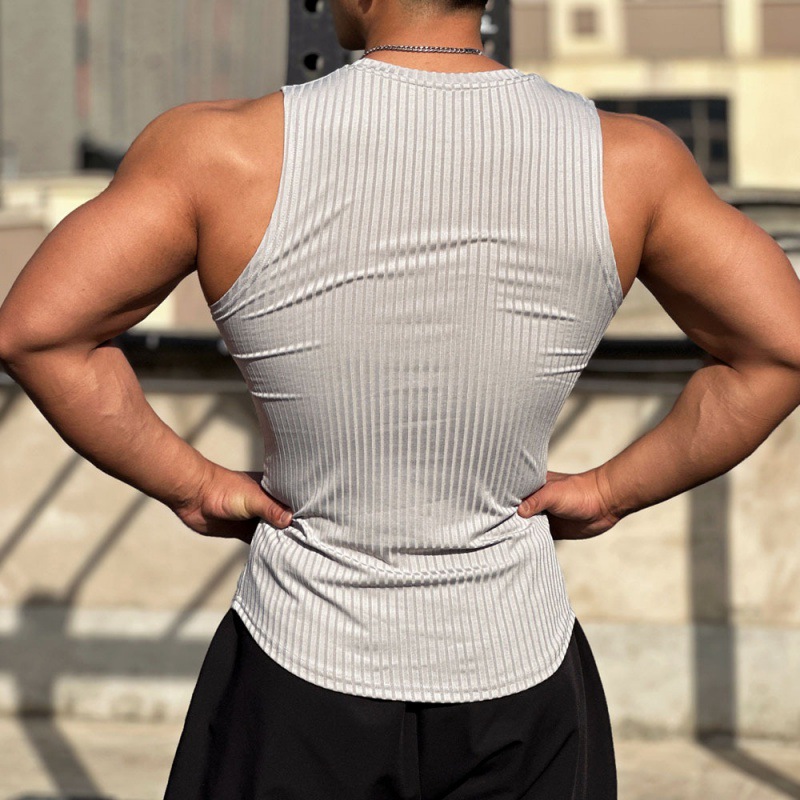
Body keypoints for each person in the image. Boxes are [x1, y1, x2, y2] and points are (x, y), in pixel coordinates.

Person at [2, 0, 800, 795]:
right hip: (520, 673)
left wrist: (194, 484)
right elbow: (779, 349)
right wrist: (609, 491)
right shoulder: (629, 161)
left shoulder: (218, 150)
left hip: (294, 670)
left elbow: (39, 333)